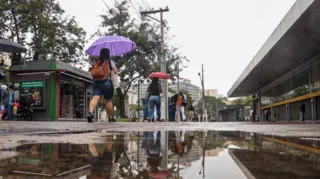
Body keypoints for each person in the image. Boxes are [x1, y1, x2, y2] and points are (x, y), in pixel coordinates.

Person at [87, 48, 118, 123]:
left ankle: (90, 113)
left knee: (95, 98)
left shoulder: (97, 62)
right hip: (106, 82)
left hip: (96, 82)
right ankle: (110, 118)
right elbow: (115, 71)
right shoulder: (110, 62)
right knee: (108, 101)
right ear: (108, 54)